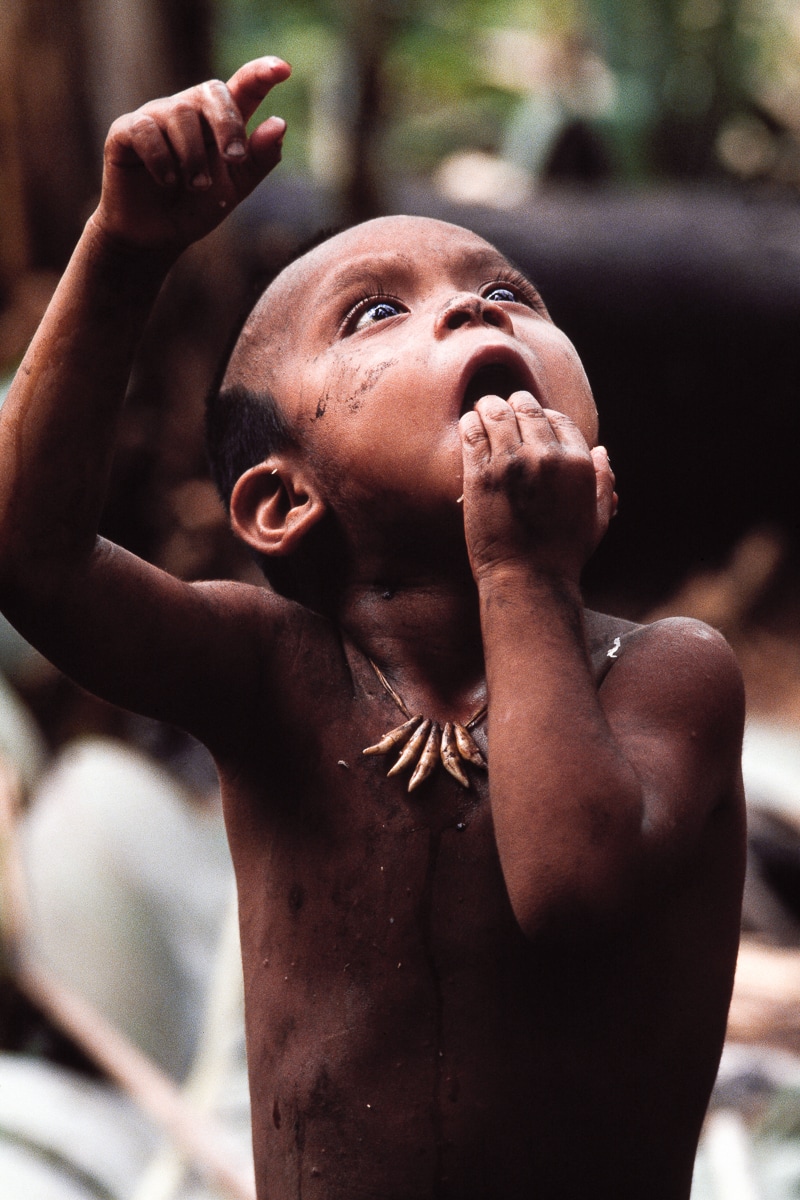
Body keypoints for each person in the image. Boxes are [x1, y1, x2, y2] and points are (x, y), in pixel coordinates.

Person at [0, 56, 746, 1200]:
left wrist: (521, 574)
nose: (468, 306)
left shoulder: (665, 677)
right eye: (377, 314)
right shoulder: (270, 678)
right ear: (278, 500)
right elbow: (31, 562)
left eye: (507, 295)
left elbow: (569, 887)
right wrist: (122, 253)